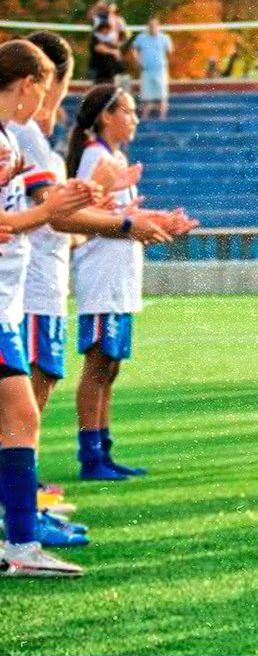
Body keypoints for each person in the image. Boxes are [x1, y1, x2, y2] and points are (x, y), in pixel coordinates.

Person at [0, 39, 98, 576]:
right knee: (19, 414)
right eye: (42, 89)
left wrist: (78, 199)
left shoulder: (10, 144)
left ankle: (19, 544)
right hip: (5, 304)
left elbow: (36, 201)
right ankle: (21, 545)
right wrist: (53, 209)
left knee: (18, 415)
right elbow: (20, 220)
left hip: (8, 306)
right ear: (28, 86)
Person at [67, 84, 197, 482]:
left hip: (120, 277)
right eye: (127, 110)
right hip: (101, 277)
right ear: (106, 115)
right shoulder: (95, 158)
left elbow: (120, 215)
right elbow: (85, 217)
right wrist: (133, 225)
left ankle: (103, 450)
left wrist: (158, 221)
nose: (135, 118)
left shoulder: (114, 158)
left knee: (111, 366)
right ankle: (90, 455)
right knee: (98, 365)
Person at [132, 17, 173, 121]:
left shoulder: (164, 38)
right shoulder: (141, 37)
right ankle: (145, 117)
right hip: (146, 70)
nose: (152, 28)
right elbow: (134, 49)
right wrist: (137, 61)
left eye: (154, 26)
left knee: (162, 94)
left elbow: (169, 52)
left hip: (160, 70)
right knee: (146, 95)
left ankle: (162, 117)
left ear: (158, 27)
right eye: (150, 26)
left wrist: (165, 63)